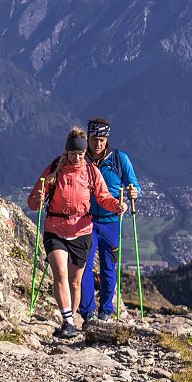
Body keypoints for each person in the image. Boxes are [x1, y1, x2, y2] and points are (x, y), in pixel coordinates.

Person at [27, 127, 126, 338]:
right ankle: (68, 321)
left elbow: (103, 197)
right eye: (74, 153)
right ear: (67, 151)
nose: (78, 157)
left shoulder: (91, 171)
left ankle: (71, 318)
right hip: (56, 229)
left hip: (81, 231)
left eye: (81, 154)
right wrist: (38, 199)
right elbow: (33, 201)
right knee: (60, 273)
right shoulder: (55, 168)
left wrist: (116, 205)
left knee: (75, 281)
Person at [78, 117, 141, 322]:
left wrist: (134, 192)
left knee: (108, 266)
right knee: (84, 266)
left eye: (102, 140)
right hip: (85, 221)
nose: (98, 144)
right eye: (95, 139)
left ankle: (105, 311)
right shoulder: (80, 159)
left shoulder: (119, 159)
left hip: (112, 220)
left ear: (107, 139)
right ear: (88, 138)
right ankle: (87, 312)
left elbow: (134, 185)